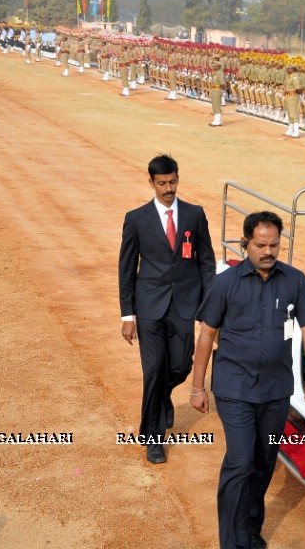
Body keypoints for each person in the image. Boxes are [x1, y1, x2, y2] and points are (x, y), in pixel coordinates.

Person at [190, 211, 305, 549]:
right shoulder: (225, 283)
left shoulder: (295, 281)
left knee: (263, 462)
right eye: (260, 245)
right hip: (234, 388)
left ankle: (249, 531)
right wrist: (197, 386)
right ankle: (230, 542)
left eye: (274, 245)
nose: (268, 251)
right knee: (240, 461)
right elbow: (207, 334)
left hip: (276, 390)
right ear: (245, 243)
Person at [118, 154, 216, 464]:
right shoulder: (136, 218)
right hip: (149, 305)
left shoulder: (194, 214)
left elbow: (206, 261)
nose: (168, 188)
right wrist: (127, 314)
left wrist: (209, 303)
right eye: (162, 183)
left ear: (177, 178)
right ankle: (153, 438)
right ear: (152, 183)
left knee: (180, 366)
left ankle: (162, 399)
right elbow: (126, 268)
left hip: (184, 305)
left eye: (172, 182)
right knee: (154, 369)